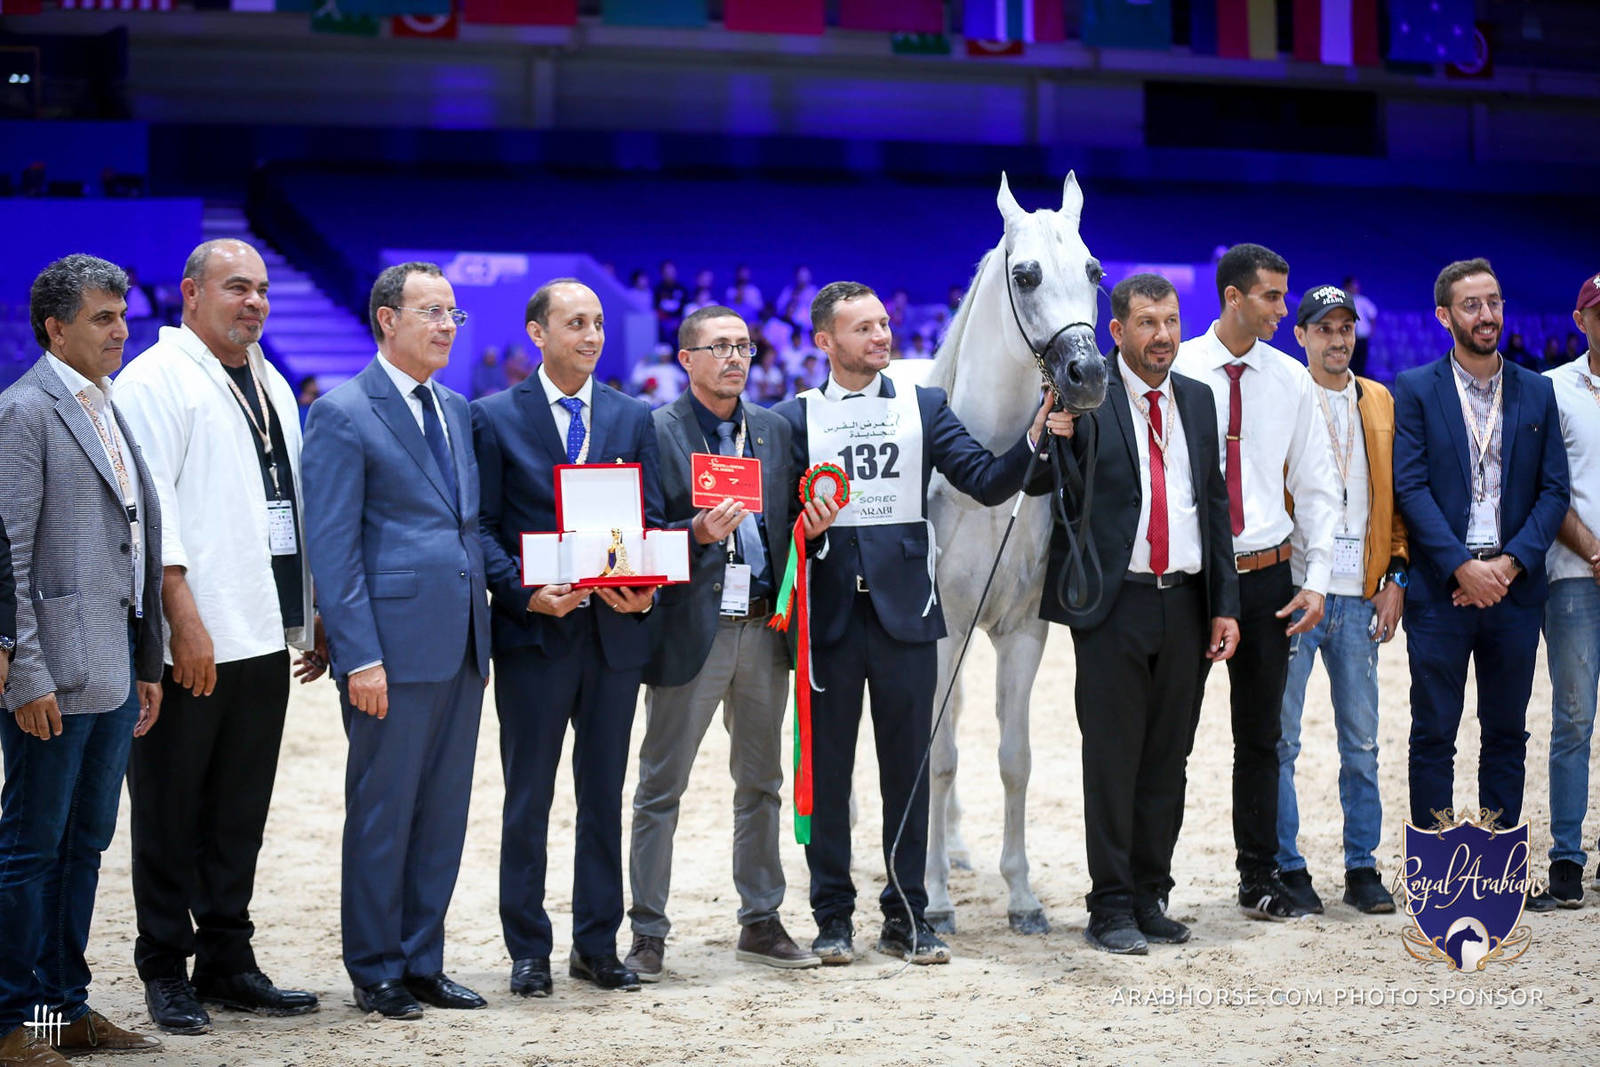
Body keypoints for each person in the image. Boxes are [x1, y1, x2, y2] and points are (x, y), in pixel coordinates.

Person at [773, 281, 1050, 965]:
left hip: (908, 618)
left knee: (909, 773)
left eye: (883, 324)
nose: (881, 336)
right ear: (825, 341)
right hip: (829, 621)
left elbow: (985, 479)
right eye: (863, 328)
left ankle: (907, 917)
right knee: (829, 776)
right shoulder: (793, 419)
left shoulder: (924, 406)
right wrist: (805, 529)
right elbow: (777, 520)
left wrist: (1035, 436)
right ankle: (833, 919)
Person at [115, 239, 321, 1034]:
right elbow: (149, 510)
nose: (254, 302)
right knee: (170, 808)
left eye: (262, 289)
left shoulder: (270, 379)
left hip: (262, 627)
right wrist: (182, 616)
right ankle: (165, 965)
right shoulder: (154, 381)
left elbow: (287, 502)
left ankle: (228, 959)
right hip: (192, 636)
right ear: (191, 293)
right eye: (237, 287)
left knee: (240, 810)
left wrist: (310, 608)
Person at [623, 305, 840, 982]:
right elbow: (637, 533)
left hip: (765, 628)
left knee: (762, 783)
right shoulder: (656, 429)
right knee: (661, 785)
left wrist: (814, 527)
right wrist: (695, 533)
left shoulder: (773, 429)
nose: (735, 358)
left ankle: (761, 919)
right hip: (694, 627)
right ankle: (648, 930)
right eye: (719, 347)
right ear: (686, 358)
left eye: (743, 347)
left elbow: (790, 524)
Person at [1027, 274, 1239, 954]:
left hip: (1186, 600)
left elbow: (1213, 507)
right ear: (1116, 332)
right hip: (1113, 603)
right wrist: (1050, 433)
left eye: (1171, 320)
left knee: (1168, 760)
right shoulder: (1087, 396)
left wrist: (1225, 605)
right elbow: (1047, 484)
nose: (1163, 335)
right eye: (1147, 322)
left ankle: (1151, 895)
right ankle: (1110, 905)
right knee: (1112, 759)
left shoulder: (1198, 400)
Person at [302, 262, 492, 1021]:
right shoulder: (343, 412)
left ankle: (421, 960)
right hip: (391, 649)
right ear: (388, 319)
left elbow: (466, 525)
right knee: (384, 812)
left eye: (453, 314)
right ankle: (376, 966)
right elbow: (333, 546)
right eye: (432, 312)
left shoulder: (455, 406)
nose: (447, 326)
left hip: (462, 643)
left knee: (442, 813)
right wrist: (360, 655)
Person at [471, 279, 663, 997]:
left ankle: (596, 945)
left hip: (614, 638)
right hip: (534, 639)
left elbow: (647, 519)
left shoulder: (631, 415)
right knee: (528, 799)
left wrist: (645, 586)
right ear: (537, 333)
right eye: (575, 323)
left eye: (599, 323)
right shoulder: (492, 417)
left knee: (603, 797)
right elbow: (482, 527)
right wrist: (525, 595)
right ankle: (528, 949)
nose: (591, 336)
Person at [0, 254, 165, 1064]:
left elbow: (133, 540)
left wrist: (146, 658)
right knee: (31, 848)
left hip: (112, 664)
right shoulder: (23, 411)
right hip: (52, 674)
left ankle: (60, 1008)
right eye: (103, 317)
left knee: (83, 845)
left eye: (122, 315)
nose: (120, 329)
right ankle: (7, 1021)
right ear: (55, 328)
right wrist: (25, 673)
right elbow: (8, 554)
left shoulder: (107, 404)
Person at [1173, 243, 1339, 921]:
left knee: (1262, 738)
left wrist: (1317, 578)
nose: (1282, 308)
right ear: (1233, 297)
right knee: (1171, 738)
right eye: (1272, 296)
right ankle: (1151, 886)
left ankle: (1259, 877)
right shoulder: (1178, 366)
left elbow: (1318, 485)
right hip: (1192, 580)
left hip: (1269, 576)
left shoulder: (1291, 378)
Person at [1393, 258, 1568, 838]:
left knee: (1506, 735)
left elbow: (1554, 491)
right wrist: (1462, 567)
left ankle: (1498, 863)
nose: (1486, 314)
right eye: (1471, 305)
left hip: (1514, 593)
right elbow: (1410, 488)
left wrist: (1508, 566)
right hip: (1441, 591)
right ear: (1445, 316)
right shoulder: (1416, 389)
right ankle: (1435, 865)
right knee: (1433, 734)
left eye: (1493, 302)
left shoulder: (1536, 390)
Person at [1274, 285, 1408, 918]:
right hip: (1297, 592)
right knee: (1282, 742)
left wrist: (1397, 574)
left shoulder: (1378, 399)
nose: (1337, 339)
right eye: (1324, 328)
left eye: (1345, 328)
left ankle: (1362, 867)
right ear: (1300, 335)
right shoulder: (1284, 396)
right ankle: (1288, 866)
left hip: (1360, 595)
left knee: (1362, 744)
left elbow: (1396, 497)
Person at [1529, 270, 1600, 910]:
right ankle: (1568, 857)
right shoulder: (1552, 390)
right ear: (1581, 321)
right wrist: (1596, 551)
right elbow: (1547, 486)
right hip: (1575, 576)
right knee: (1573, 719)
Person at [1343, 276, 1376, 377]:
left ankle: (1359, 383)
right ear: (1347, 286)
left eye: (1357, 286)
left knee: (1361, 365)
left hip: (1361, 338)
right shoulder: (1341, 300)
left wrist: (1372, 330)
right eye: (1353, 286)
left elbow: (1373, 315)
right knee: (1348, 363)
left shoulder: (1363, 301)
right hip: (1346, 338)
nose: (1355, 288)